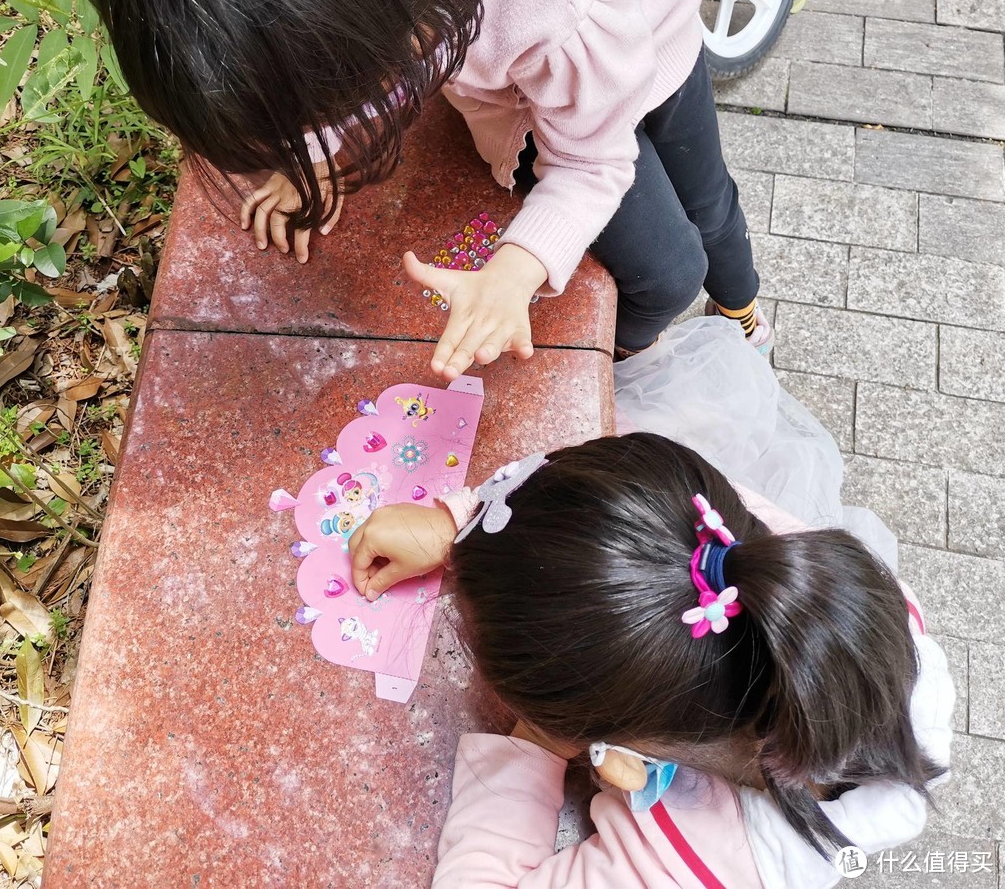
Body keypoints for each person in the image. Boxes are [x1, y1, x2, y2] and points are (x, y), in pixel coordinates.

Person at [348, 319, 954, 888]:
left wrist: (536, 743)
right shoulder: (795, 580)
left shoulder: (690, 866)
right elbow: (631, 508)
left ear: (609, 736)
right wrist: (460, 520)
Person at [69, 0, 769, 376]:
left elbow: (593, 163)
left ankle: (736, 309)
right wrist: (309, 151)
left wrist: (514, 271)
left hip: (639, 44)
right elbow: (347, 53)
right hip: (526, 77)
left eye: (346, 92)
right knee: (673, 261)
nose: (343, 114)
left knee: (698, 229)